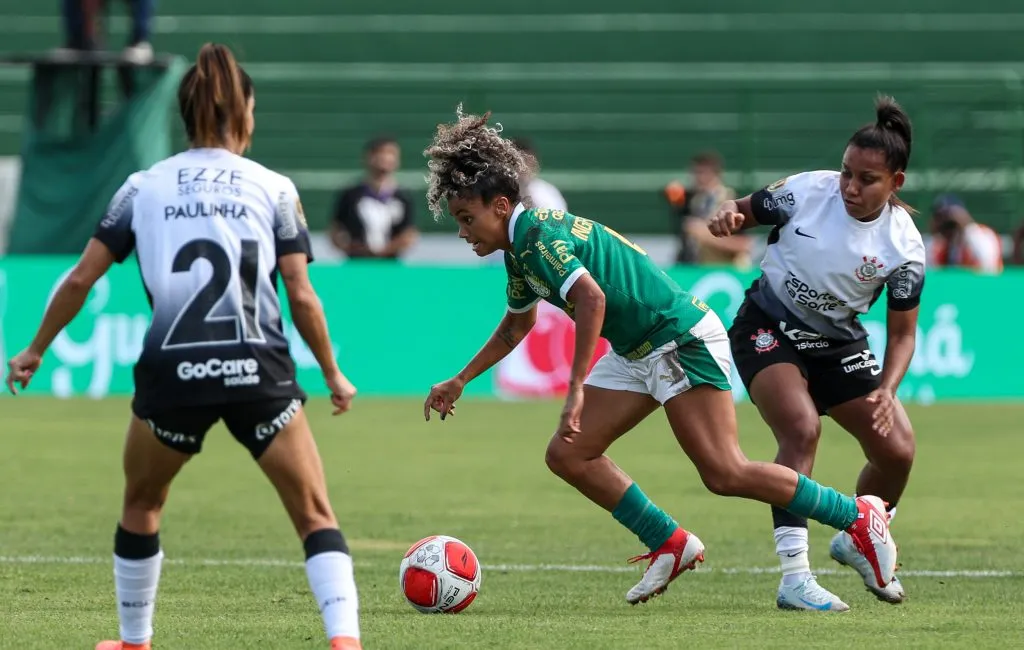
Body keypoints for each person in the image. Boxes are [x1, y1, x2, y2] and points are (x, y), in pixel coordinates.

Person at [420, 105, 898, 606]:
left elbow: (592, 298)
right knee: (568, 454)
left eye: (465, 218)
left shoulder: (538, 235)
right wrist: (461, 379)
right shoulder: (520, 250)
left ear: (499, 206)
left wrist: (577, 389)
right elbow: (518, 324)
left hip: (679, 338)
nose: (462, 230)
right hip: (639, 348)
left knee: (725, 472)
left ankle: (856, 516)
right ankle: (670, 544)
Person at [4, 44, 362, 650]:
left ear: (185, 111)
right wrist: (332, 373)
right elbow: (300, 293)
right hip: (258, 369)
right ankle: (344, 641)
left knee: (142, 503)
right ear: (245, 111)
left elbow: (81, 278)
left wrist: (36, 348)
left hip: (175, 370)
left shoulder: (141, 188)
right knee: (314, 515)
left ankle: (134, 641)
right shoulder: (273, 188)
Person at [707, 96, 925, 612]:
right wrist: (728, 214)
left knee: (897, 450)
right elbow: (743, 208)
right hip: (767, 324)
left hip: (838, 342)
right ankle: (794, 578)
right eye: (847, 172)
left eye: (866, 179)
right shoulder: (808, 190)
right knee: (801, 430)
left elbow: (902, 336)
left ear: (896, 183)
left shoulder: (904, 246)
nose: (849, 186)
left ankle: (858, 534)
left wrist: (888, 391)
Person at [329, 135, 418, 259]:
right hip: (356, 265)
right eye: (379, 153)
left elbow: (409, 234)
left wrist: (386, 250)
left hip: (391, 267)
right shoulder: (350, 195)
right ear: (367, 157)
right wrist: (350, 247)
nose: (385, 158)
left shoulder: (403, 197)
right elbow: (335, 230)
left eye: (391, 153)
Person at [664, 151, 749, 267]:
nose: (699, 179)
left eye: (703, 173)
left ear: (716, 175)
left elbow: (743, 245)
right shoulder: (694, 201)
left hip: (723, 272)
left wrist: (705, 235)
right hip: (696, 270)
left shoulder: (732, 202)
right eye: (695, 173)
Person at [928, 194, 1003, 274]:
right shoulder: (942, 247)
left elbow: (988, 265)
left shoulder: (983, 234)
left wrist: (966, 225)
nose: (945, 224)